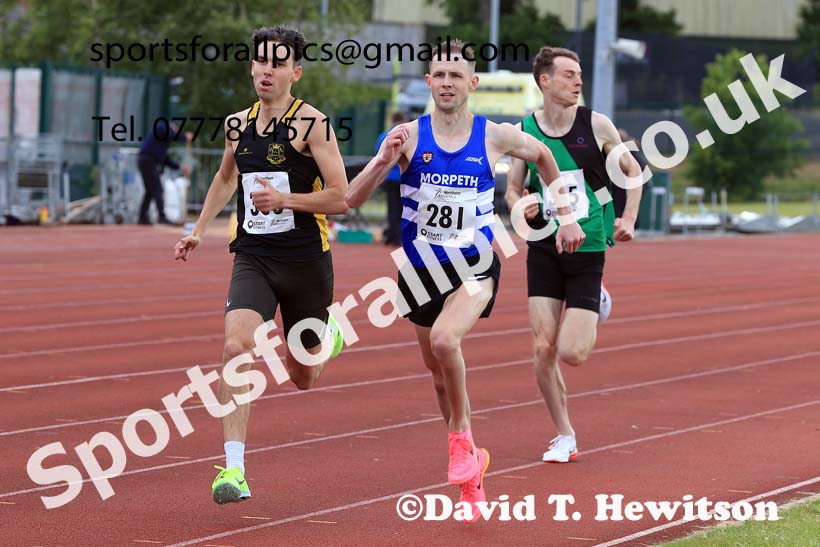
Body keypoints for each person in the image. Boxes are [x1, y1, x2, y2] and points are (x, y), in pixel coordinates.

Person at [346, 40, 583, 522]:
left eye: (456, 75)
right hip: (421, 270)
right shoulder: (406, 136)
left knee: (445, 339)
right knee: (437, 374)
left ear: (472, 84)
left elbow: (545, 157)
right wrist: (382, 160)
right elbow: (353, 198)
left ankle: (459, 444)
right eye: (439, 75)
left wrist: (566, 215)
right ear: (428, 83)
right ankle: (472, 470)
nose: (447, 83)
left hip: (476, 265)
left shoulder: (494, 135)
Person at [173, 25, 348, 504]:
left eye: (277, 62)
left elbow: (342, 198)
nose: (266, 70)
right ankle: (234, 470)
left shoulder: (314, 125)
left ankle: (327, 335)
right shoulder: (236, 125)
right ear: (251, 66)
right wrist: (198, 229)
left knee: (303, 377)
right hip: (254, 257)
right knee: (236, 346)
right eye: (260, 61)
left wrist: (286, 201)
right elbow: (226, 178)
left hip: (306, 262)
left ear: (295, 71)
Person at [505, 46, 642, 463]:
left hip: (590, 245)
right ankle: (564, 433)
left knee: (571, 353)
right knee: (542, 347)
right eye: (568, 74)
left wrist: (629, 219)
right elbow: (513, 187)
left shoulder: (597, 125)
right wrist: (519, 204)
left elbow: (633, 174)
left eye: (580, 74)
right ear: (545, 81)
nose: (578, 81)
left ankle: (596, 299)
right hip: (544, 246)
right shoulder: (525, 131)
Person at [137, 122, 192, 225]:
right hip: (147, 160)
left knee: (150, 190)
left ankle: (142, 217)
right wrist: (184, 136)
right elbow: (170, 133)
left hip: (148, 161)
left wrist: (179, 167)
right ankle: (161, 217)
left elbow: (165, 159)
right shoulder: (162, 127)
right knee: (157, 189)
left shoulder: (163, 142)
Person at [375, 112, 407, 246]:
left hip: (389, 177)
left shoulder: (384, 136)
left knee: (392, 208)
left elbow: (378, 155)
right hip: (403, 178)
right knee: (404, 210)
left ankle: (393, 236)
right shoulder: (409, 136)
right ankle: (399, 236)